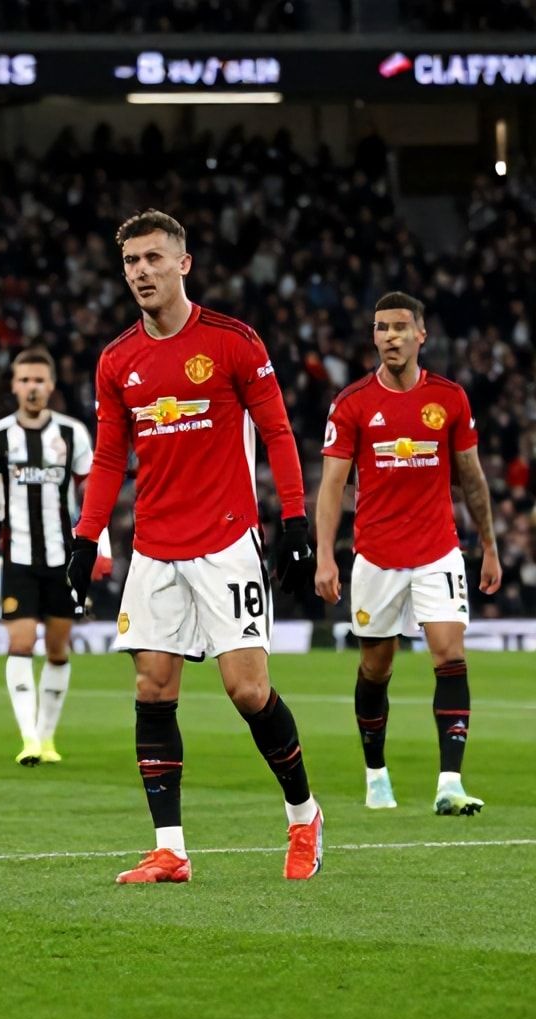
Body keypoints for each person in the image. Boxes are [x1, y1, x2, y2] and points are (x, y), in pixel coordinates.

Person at [67, 209, 324, 884]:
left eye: (154, 258)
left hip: (226, 541)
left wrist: (294, 521)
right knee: (153, 688)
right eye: (131, 263)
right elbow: (107, 458)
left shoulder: (233, 342)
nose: (142, 272)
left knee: (247, 690)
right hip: (154, 546)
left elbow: (277, 434)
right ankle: (170, 848)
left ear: (184, 263)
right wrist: (84, 539)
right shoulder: (118, 360)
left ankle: (304, 816)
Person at [314, 291, 502, 815]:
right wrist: (326, 556)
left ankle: (449, 782)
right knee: (376, 668)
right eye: (381, 328)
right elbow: (332, 486)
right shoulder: (352, 403)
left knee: (451, 653)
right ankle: (376, 775)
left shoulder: (450, 398)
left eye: (400, 327)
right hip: (375, 556)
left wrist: (488, 545)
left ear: (421, 334)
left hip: (438, 550)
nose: (390, 336)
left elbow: (472, 477)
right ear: (373, 337)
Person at [0, 347, 112, 766]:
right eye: (24, 380)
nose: (31, 387)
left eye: (38, 380)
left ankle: (47, 739)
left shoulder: (72, 435)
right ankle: (28, 738)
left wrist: (101, 548)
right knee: (21, 642)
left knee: (59, 649)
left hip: (64, 558)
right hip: (18, 559)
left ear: (51, 385)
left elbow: (91, 494)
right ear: (13, 386)